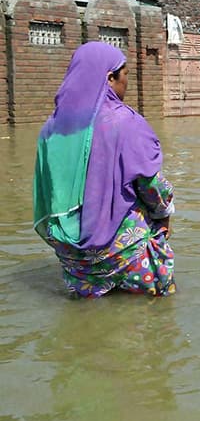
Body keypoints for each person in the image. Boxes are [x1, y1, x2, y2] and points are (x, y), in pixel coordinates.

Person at [33, 41, 176, 297]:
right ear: (110, 78)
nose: (127, 84)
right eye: (126, 75)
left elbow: (50, 192)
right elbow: (152, 185)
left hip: (74, 260)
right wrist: (165, 214)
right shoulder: (124, 122)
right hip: (125, 253)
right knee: (158, 317)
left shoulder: (50, 130)